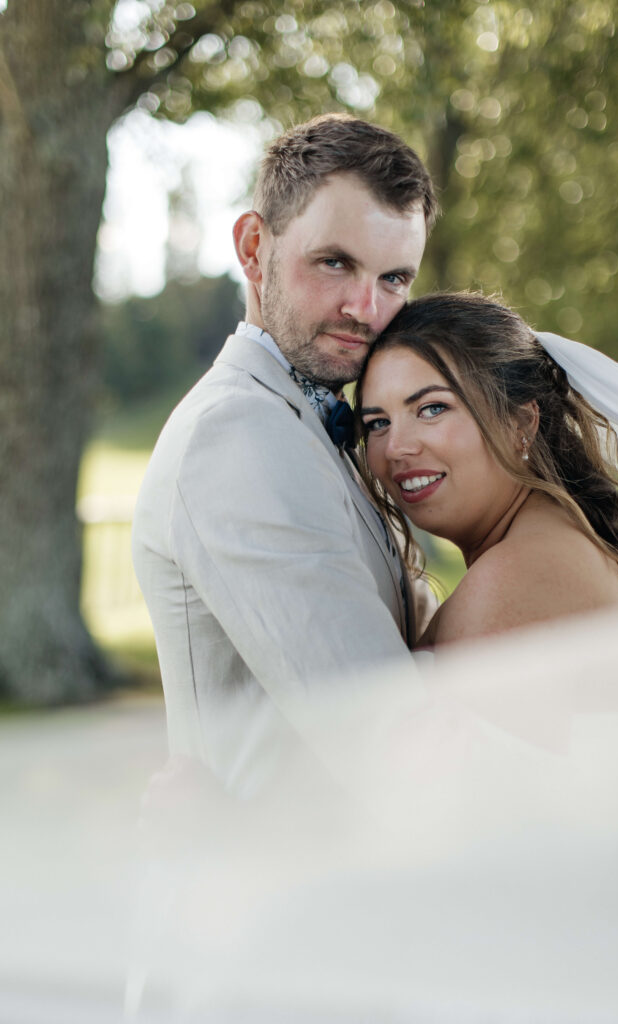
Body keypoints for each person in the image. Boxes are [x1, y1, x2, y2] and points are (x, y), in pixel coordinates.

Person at [131, 114, 439, 789]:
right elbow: (377, 727)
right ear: (252, 248)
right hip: (279, 878)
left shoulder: (315, 417)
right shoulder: (237, 435)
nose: (366, 309)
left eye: (393, 278)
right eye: (335, 262)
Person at [355, 291, 618, 647]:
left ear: (521, 422)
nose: (396, 447)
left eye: (432, 409)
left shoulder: (511, 581)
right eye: (377, 422)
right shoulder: (550, 544)